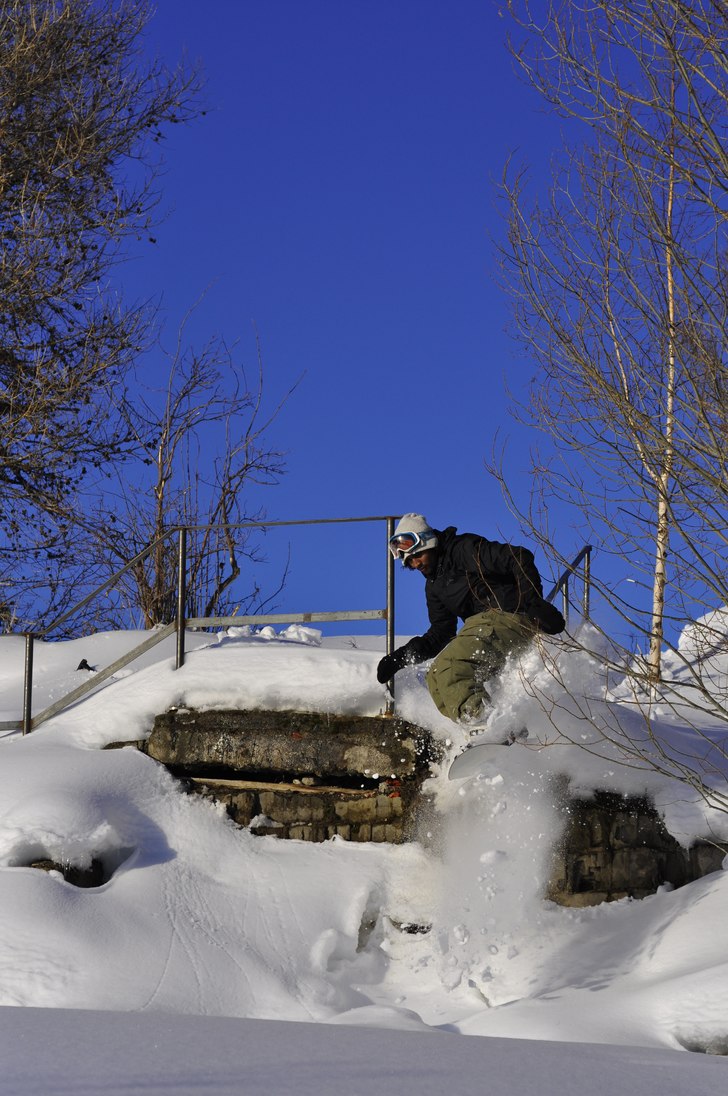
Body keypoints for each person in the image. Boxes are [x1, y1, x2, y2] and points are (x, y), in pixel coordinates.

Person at [376, 513, 565, 726]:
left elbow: (518, 557)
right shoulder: (434, 585)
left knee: (451, 667)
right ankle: (478, 728)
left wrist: (533, 603)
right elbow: (440, 633)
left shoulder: (462, 549)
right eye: (408, 561)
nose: (414, 563)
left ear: (426, 540)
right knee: (436, 678)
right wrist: (399, 658)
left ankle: (485, 722)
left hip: (508, 614)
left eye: (415, 555)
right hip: (481, 629)